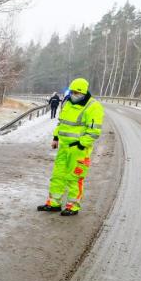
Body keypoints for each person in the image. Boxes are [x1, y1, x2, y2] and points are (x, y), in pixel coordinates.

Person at [37, 77, 105, 216]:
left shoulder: (93, 107)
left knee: (74, 177)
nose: (74, 95)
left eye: (77, 93)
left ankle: (73, 206)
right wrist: (56, 138)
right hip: (63, 147)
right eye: (72, 92)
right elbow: (61, 123)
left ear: (84, 92)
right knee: (58, 175)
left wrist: (81, 144)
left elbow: (94, 131)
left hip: (78, 149)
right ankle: (54, 203)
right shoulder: (67, 102)